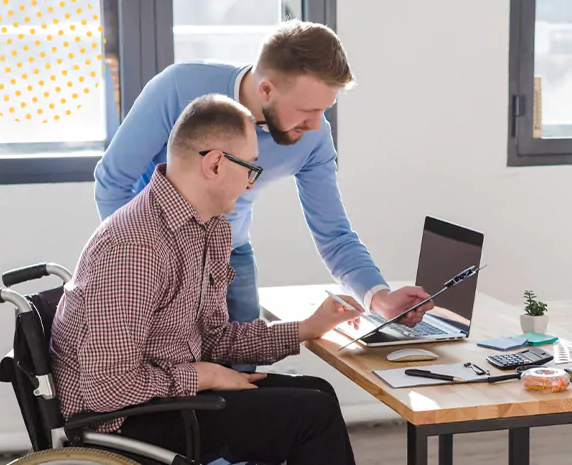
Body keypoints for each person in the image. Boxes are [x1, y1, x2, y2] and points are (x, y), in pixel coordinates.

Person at [51, 94, 361, 465]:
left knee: (318, 393)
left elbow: (214, 337)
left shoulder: (209, 228)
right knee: (312, 416)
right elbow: (108, 389)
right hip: (121, 423)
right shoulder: (134, 246)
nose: (250, 184)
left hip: (165, 396)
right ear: (215, 164)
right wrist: (200, 376)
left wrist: (306, 328)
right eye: (250, 168)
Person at [94, 19, 432, 331]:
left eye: (324, 111)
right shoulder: (180, 86)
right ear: (266, 90)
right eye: (307, 110)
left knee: (243, 376)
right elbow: (114, 180)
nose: (316, 125)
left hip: (231, 254)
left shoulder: (313, 136)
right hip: (158, 254)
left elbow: (334, 233)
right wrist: (144, 263)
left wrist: (378, 297)